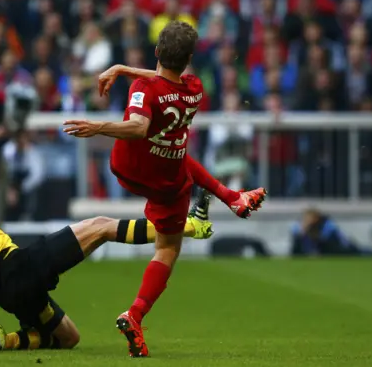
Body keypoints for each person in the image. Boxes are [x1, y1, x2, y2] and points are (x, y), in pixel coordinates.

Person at [0, 143, 215, 352]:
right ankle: (189, 226)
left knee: (69, 338)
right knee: (99, 227)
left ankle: (5, 341)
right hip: (14, 266)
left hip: (1, 290)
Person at [62, 21, 267, 357]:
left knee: (180, 153)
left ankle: (232, 198)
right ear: (187, 60)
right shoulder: (195, 87)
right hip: (166, 179)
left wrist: (98, 124)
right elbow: (165, 86)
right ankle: (135, 314)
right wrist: (125, 68)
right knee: (168, 249)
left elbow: (139, 125)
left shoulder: (144, 87)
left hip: (130, 167)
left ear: (156, 51)